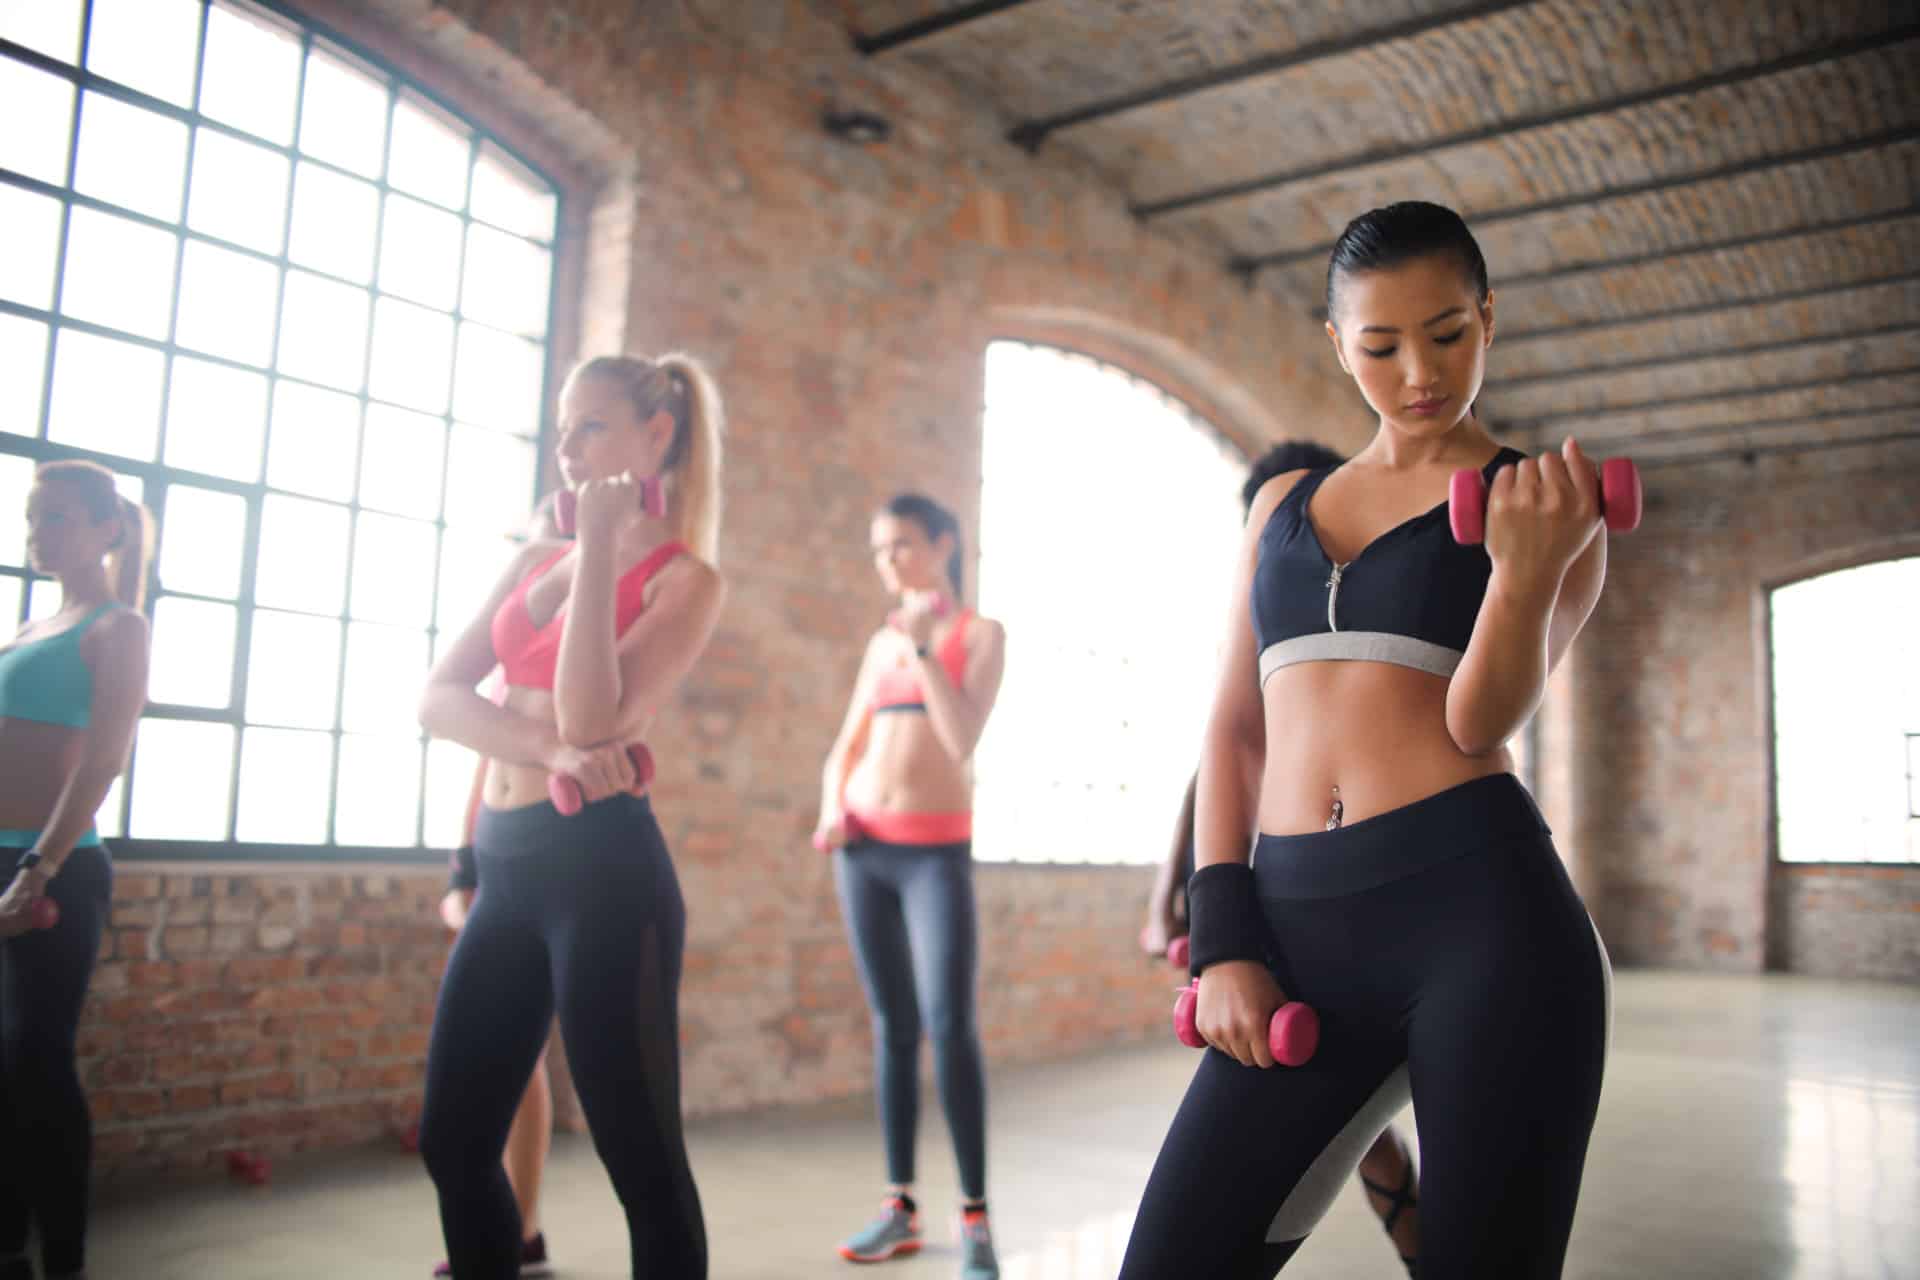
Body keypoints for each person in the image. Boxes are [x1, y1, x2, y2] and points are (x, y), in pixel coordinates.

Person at [1119, 201, 1613, 1279]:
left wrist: (1525, 573)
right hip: (1295, 928)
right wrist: (1225, 935)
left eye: (1447, 333)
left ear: (1488, 318)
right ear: (1337, 343)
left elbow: (1478, 721)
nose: (1419, 371)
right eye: (1381, 345)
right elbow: (1234, 726)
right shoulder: (1286, 504)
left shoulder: (1546, 507)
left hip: (1484, 922)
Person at [417, 354, 727, 1280]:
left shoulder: (686, 581)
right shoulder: (528, 560)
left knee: (640, 1161)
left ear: (656, 435)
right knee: (453, 1137)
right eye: (563, 428)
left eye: (590, 426)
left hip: (604, 875)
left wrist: (596, 550)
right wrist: (548, 750)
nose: (567, 447)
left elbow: (594, 717)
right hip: (507, 862)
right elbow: (437, 697)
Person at [1141, 440, 1421, 1274]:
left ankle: (1423, 1246)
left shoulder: (1361, 612)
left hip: (1351, 903)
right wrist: (1177, 898)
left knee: (1359, 1124)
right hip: (1253, 910)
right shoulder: (1261, 623)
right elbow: (1217, 762)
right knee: (1346, 1125)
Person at [814, 494, 1008, 1280]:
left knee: (950, 1025)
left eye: (901, 544)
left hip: (934, 856)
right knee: (892, 1024)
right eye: (878, 549)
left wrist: (927, 649)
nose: (888, 561)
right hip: (862, 850)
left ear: (943, 545)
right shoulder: (879, 643)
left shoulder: (980, 636)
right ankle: (900, 1207)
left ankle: (975, 1218)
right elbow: (845, 746)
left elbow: (960, 739)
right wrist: (833, 807)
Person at [0, 461, 154, 1280]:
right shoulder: (30, 626)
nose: (38, 533)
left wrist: (37, 866)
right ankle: (8, 1244)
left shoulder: (117, 627)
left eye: (56, 518)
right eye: (32, 519)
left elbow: (102, 761)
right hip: (4, 857)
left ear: (107, 530)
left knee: (37, 1060)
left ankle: (64, 1259)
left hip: (54, 865)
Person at [428, 495, 568, 1280]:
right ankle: (508, 1233)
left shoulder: (594, 616)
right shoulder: (514, 629)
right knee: (493, 1065)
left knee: (522, 1060)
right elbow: (486, 752)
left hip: (563, 857)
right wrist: (462, 862)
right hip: (498, 851)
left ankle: (525, 1226)